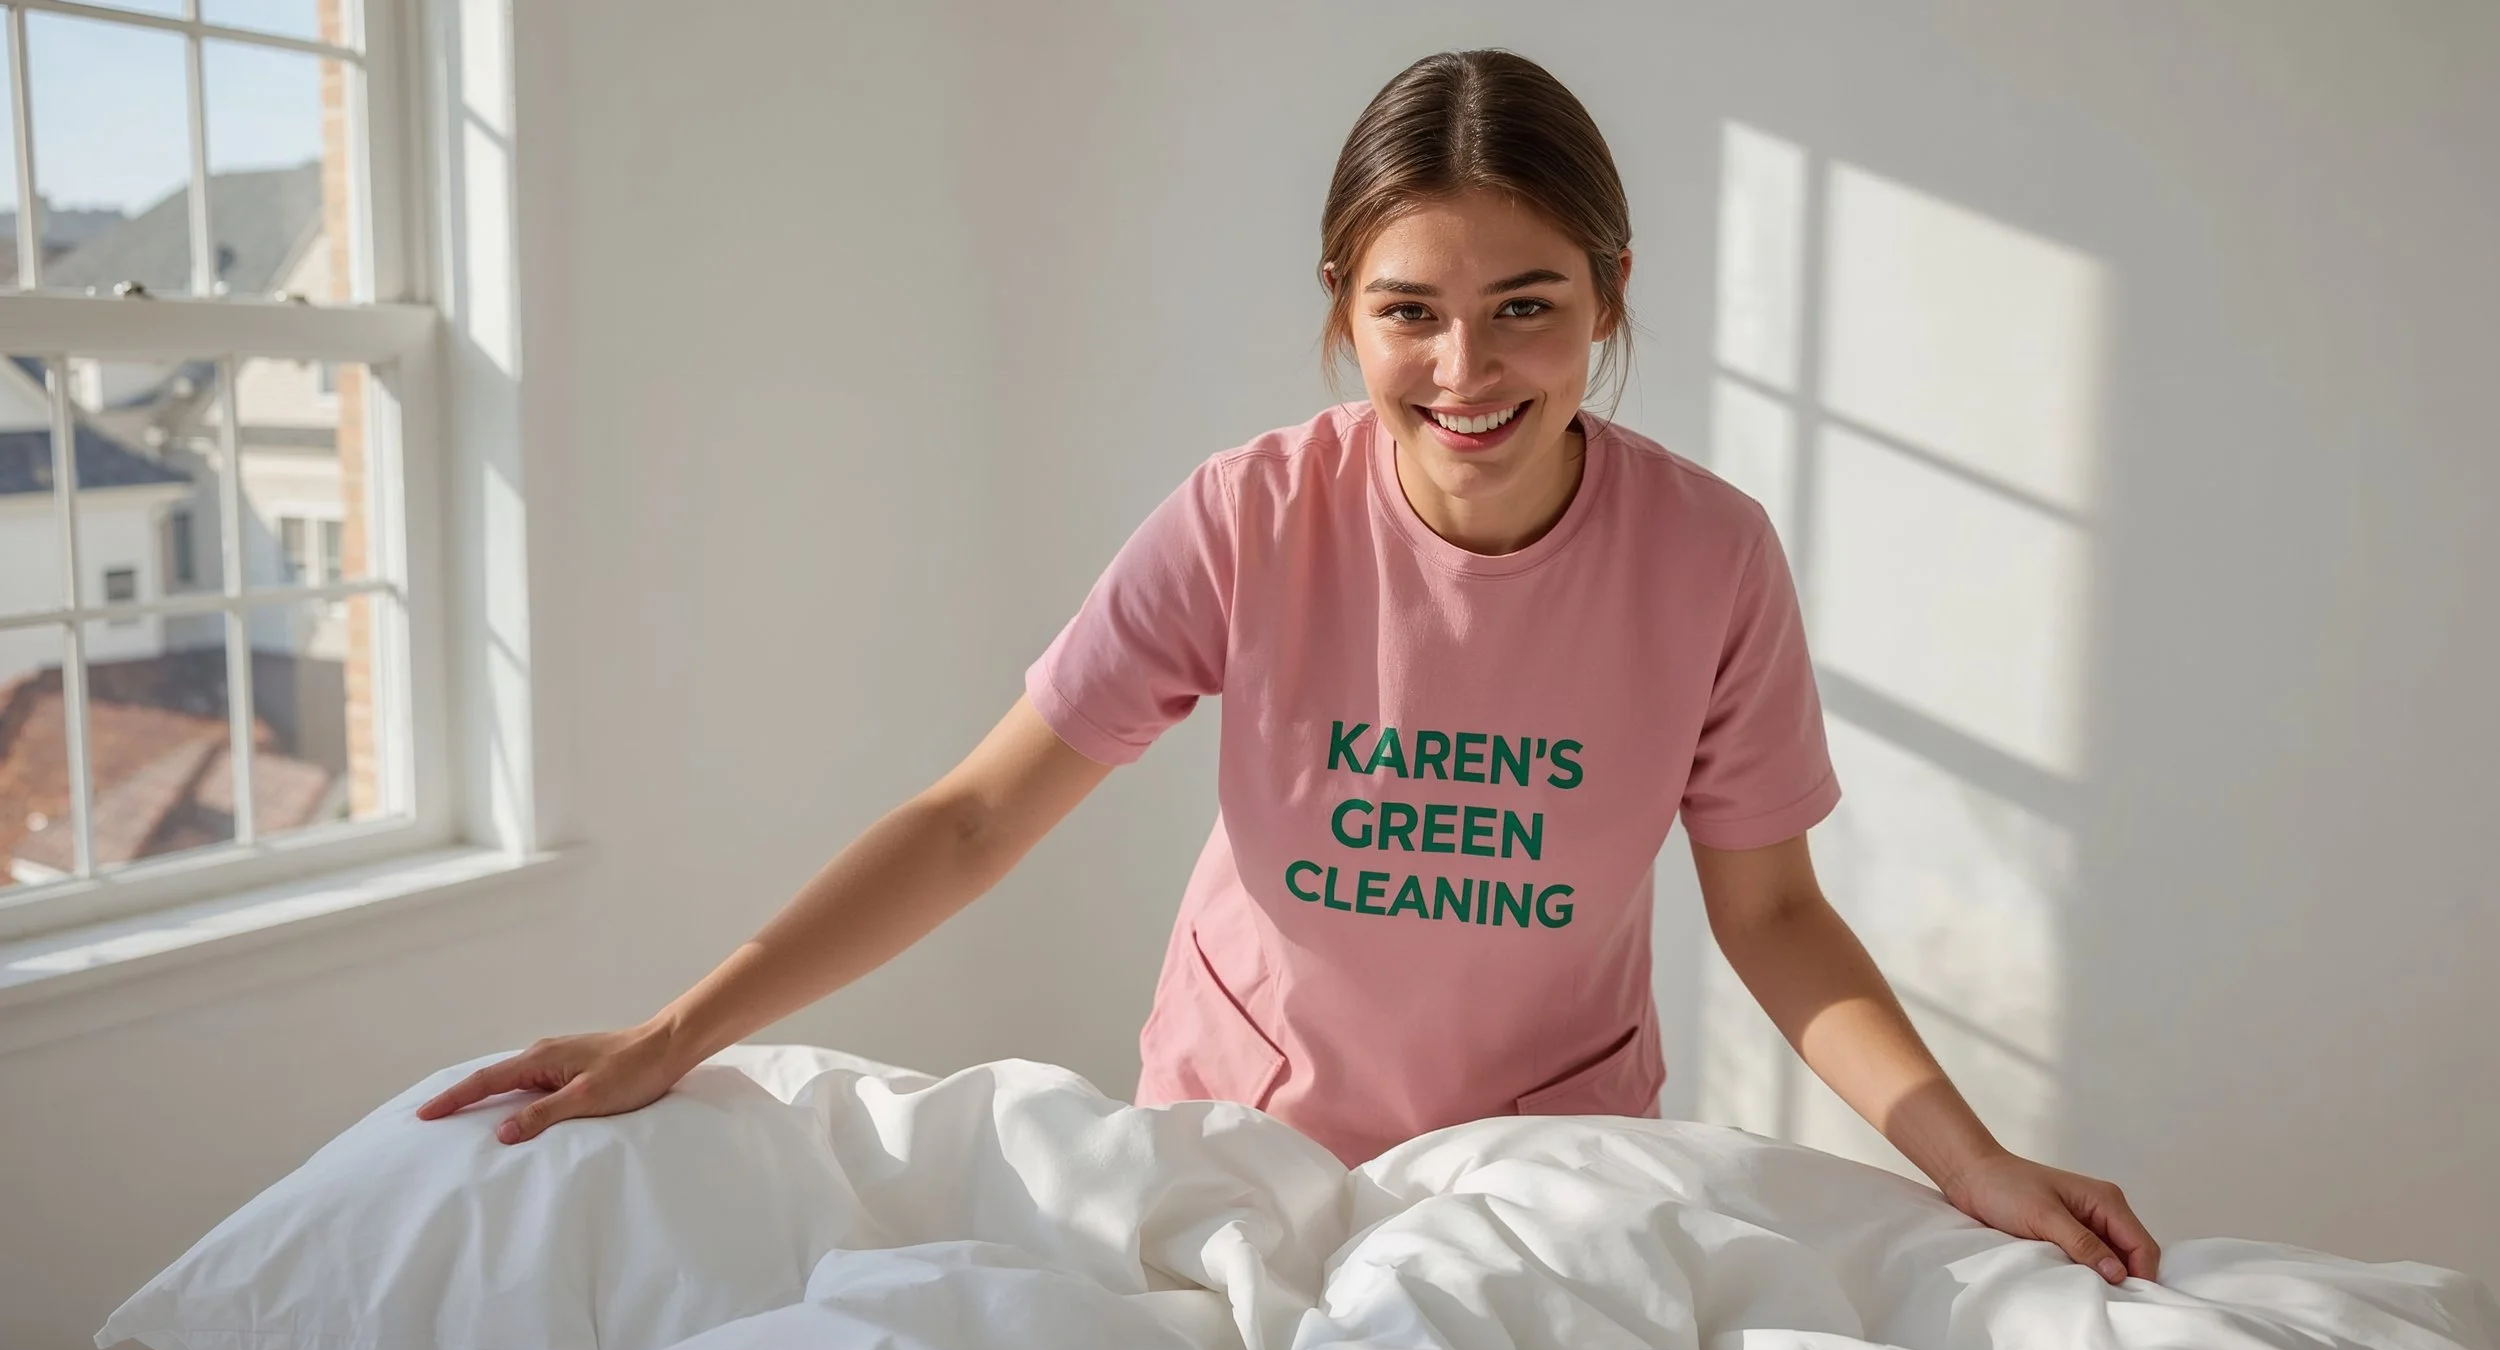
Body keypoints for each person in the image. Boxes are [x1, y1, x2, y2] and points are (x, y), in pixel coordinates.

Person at [419, 49, 2159, 1287]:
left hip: (1548, 1163)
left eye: (1528, 305)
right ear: (1345, 305)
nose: (1466, 366)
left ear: (1613, 297)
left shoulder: (1708, 556)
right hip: (1226, 1144)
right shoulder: (1250, 516)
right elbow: (971, 821)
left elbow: (1773, 916)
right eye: (1410, 309)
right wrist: (674, 1031)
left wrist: (1970, 1163)